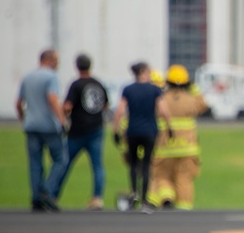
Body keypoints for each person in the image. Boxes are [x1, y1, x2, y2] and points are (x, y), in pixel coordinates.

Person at [111, 62, 173, 213]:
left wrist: (116, 131)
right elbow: (163, 110)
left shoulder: (128, 89)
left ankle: (134, 194)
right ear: (144, 72)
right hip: (150, 131)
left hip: (132, 131)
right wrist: (170, 128)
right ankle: (145, 200)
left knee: (133, 165)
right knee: (146, 165)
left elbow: (119, 111)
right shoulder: (155, 90)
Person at [149, 64, 208, 210]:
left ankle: (167, 197)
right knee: (184, 179)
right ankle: (184, 209)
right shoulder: (191, 100)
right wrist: (194, 88)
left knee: (162, 177)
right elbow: (203, 105)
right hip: (187, 149)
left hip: (165, 149)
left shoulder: (161, 99)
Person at [16, 49, 68, 212]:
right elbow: (53, 99)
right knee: (61, 159)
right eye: (57, 60)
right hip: (48, 126)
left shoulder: (28, 77)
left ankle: (36, 197)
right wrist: (62, 121)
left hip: (31, 125)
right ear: (50, 60)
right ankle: (47, 190)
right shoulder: (51, 77)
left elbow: (18, 103)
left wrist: (24, 118)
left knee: (35, 163)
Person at [56, 54, 109, 210]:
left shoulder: (76, 85)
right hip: (97, 129)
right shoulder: (98, 84)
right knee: (98, 166)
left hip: (77, 132)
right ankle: (97, 198)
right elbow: (105, 106)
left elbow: (67, 106)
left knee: (64, 163)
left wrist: (62, 118)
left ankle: (53, 195)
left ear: (77, 67)